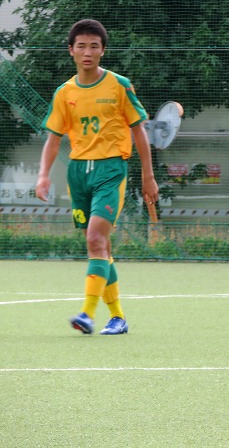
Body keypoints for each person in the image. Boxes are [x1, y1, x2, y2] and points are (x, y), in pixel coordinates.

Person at [35, 19, 158, 335]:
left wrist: (148, 176)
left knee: (94, 238)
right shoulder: (64, 92)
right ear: (71, 51)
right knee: (100, 245)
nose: (87, 52)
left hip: (111, 170)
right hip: (78, 173)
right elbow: (53, 139)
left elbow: (139, 131)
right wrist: (43, 175)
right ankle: (118, 317)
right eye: (81, 46)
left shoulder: (119, 85)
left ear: (103, 50)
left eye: (94, 46)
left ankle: (87, 314)